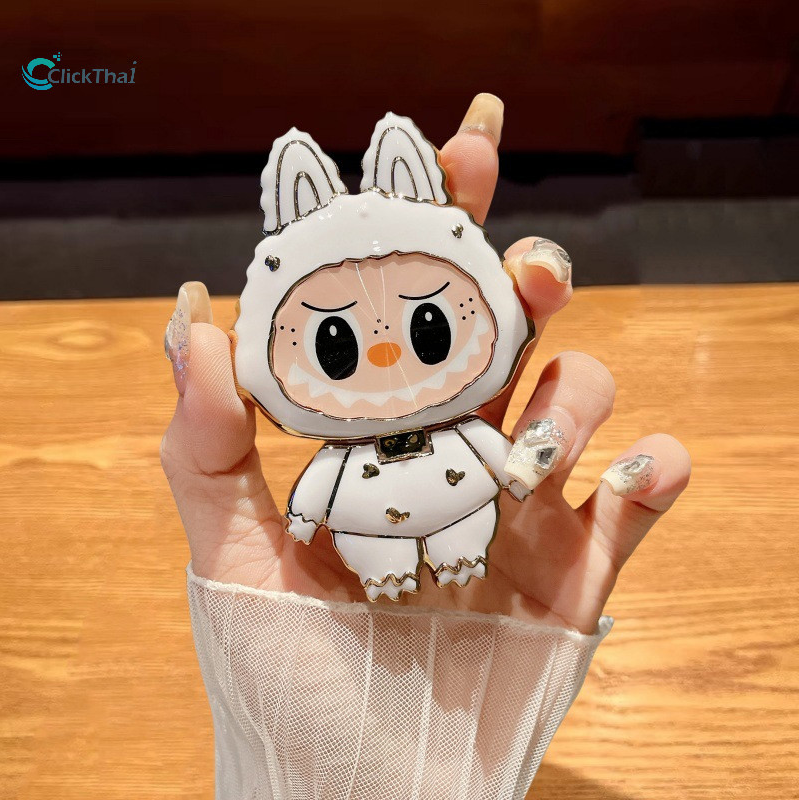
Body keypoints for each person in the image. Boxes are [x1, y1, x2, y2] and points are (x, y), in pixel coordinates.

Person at [162, 94, 691, 799]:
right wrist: (304, 516)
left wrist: (521, 470)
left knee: (466, 532)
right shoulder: (339, 457)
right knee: (391, 549)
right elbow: (319, 489)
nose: (386, 357)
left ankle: (461, 555)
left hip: (462, 512)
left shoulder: (465, 430)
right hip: (370, 531)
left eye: (430, 330)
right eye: (335, 342)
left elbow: (499, 464)